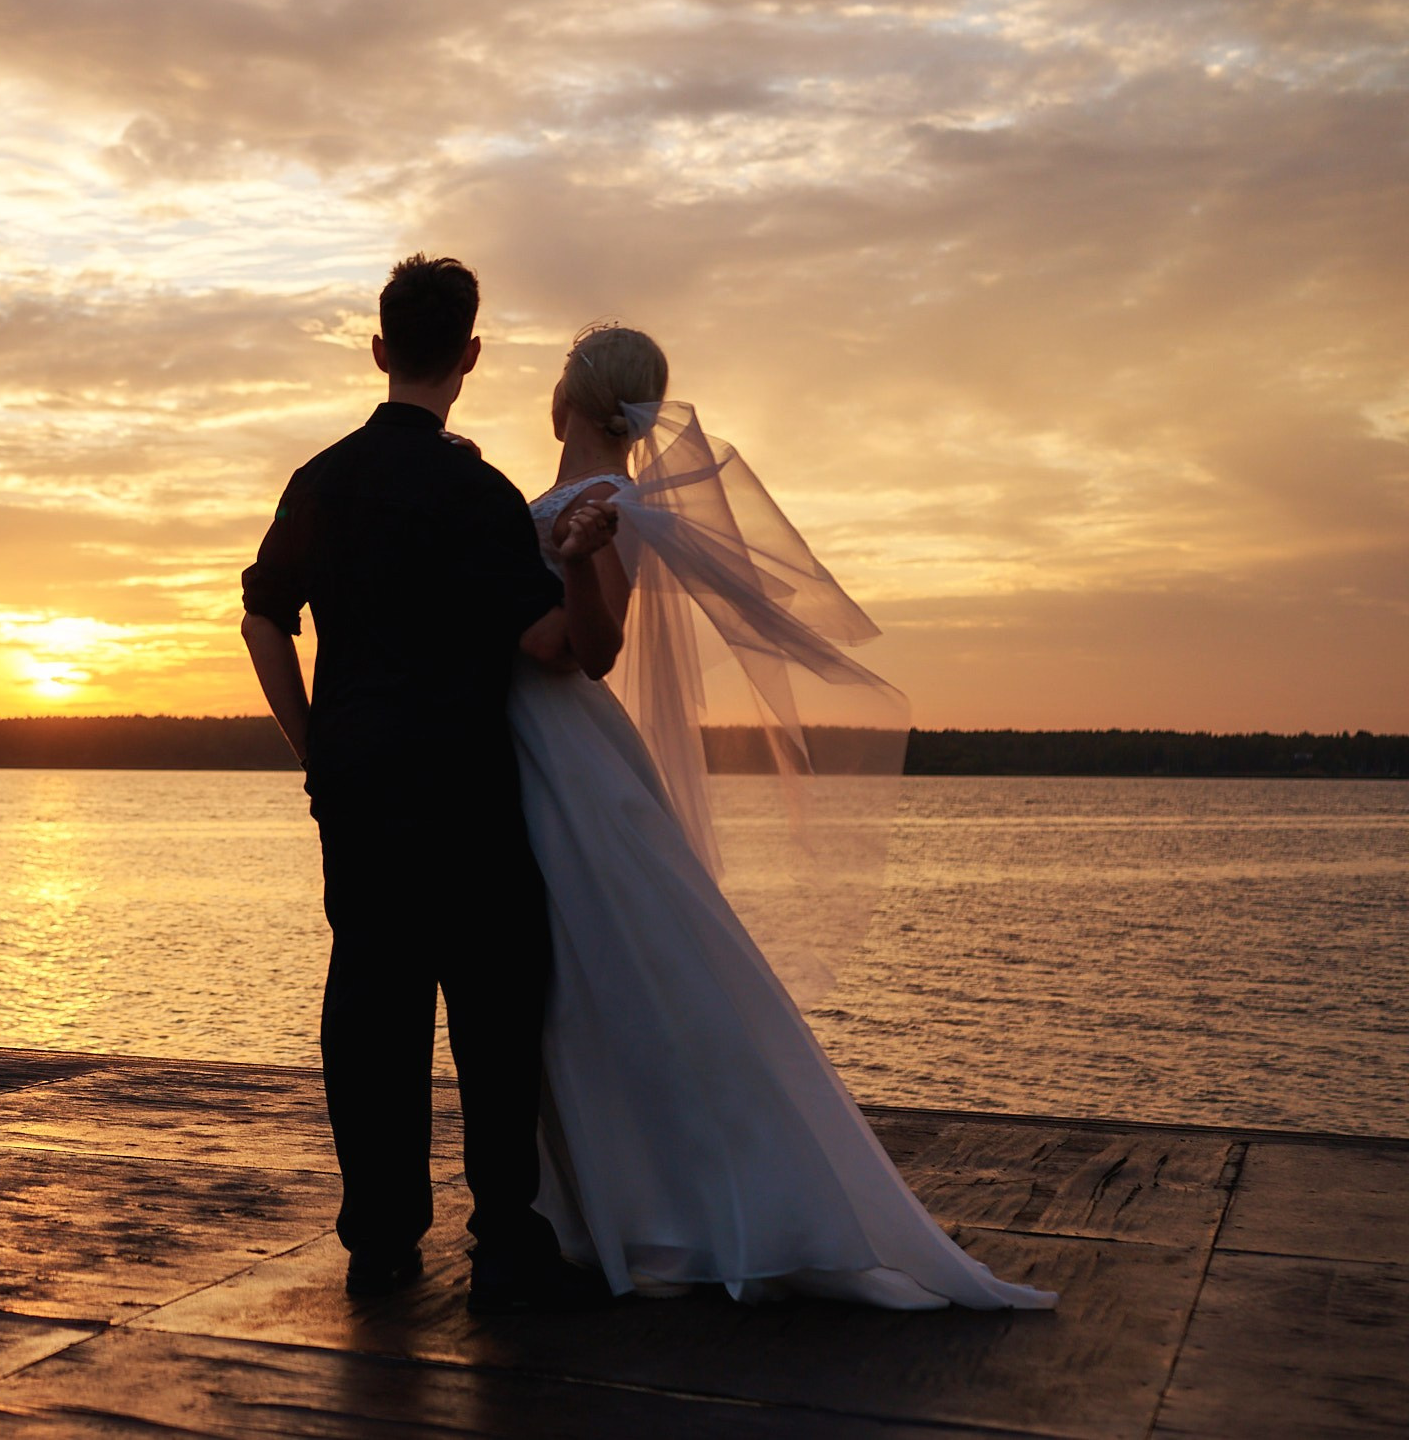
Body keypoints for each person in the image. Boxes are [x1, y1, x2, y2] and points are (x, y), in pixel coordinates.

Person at [511, 322, 1057, 1310]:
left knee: (607, 974)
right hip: (531, 746)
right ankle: (600, 1199)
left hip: (563, 751)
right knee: (579, 981)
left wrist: (496, 616)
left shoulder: (609, 506)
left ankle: (692, 1206)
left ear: (571, 396)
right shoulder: (568, 497)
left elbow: (585, 646)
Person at [239, 254, 615, 1314]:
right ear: (470, 355)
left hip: (358, 779)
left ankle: (380, 1237)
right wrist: (580, 564)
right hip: (464, 780)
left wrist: (313, 743)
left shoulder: (318, 481)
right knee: (493, 1000)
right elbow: (555, 646)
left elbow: (262, 617)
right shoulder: (477, 493)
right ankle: (502, 1234)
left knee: (371, 998)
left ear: (378, 348)